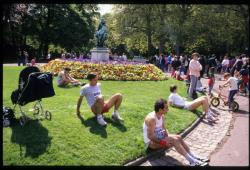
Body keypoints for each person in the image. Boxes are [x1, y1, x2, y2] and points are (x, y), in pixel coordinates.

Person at [143, 98, 209, 166]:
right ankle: (192, 161)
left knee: (178, 137)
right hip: (150, 143)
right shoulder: (151, 119)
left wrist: (168, 136)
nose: (168, 109)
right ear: (160, 110)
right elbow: (150, 136)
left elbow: (164, 128)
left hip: (159, 136)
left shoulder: (161, 116)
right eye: (166, 108)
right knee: (174, 140)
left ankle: (193, 156)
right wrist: (164, 142)